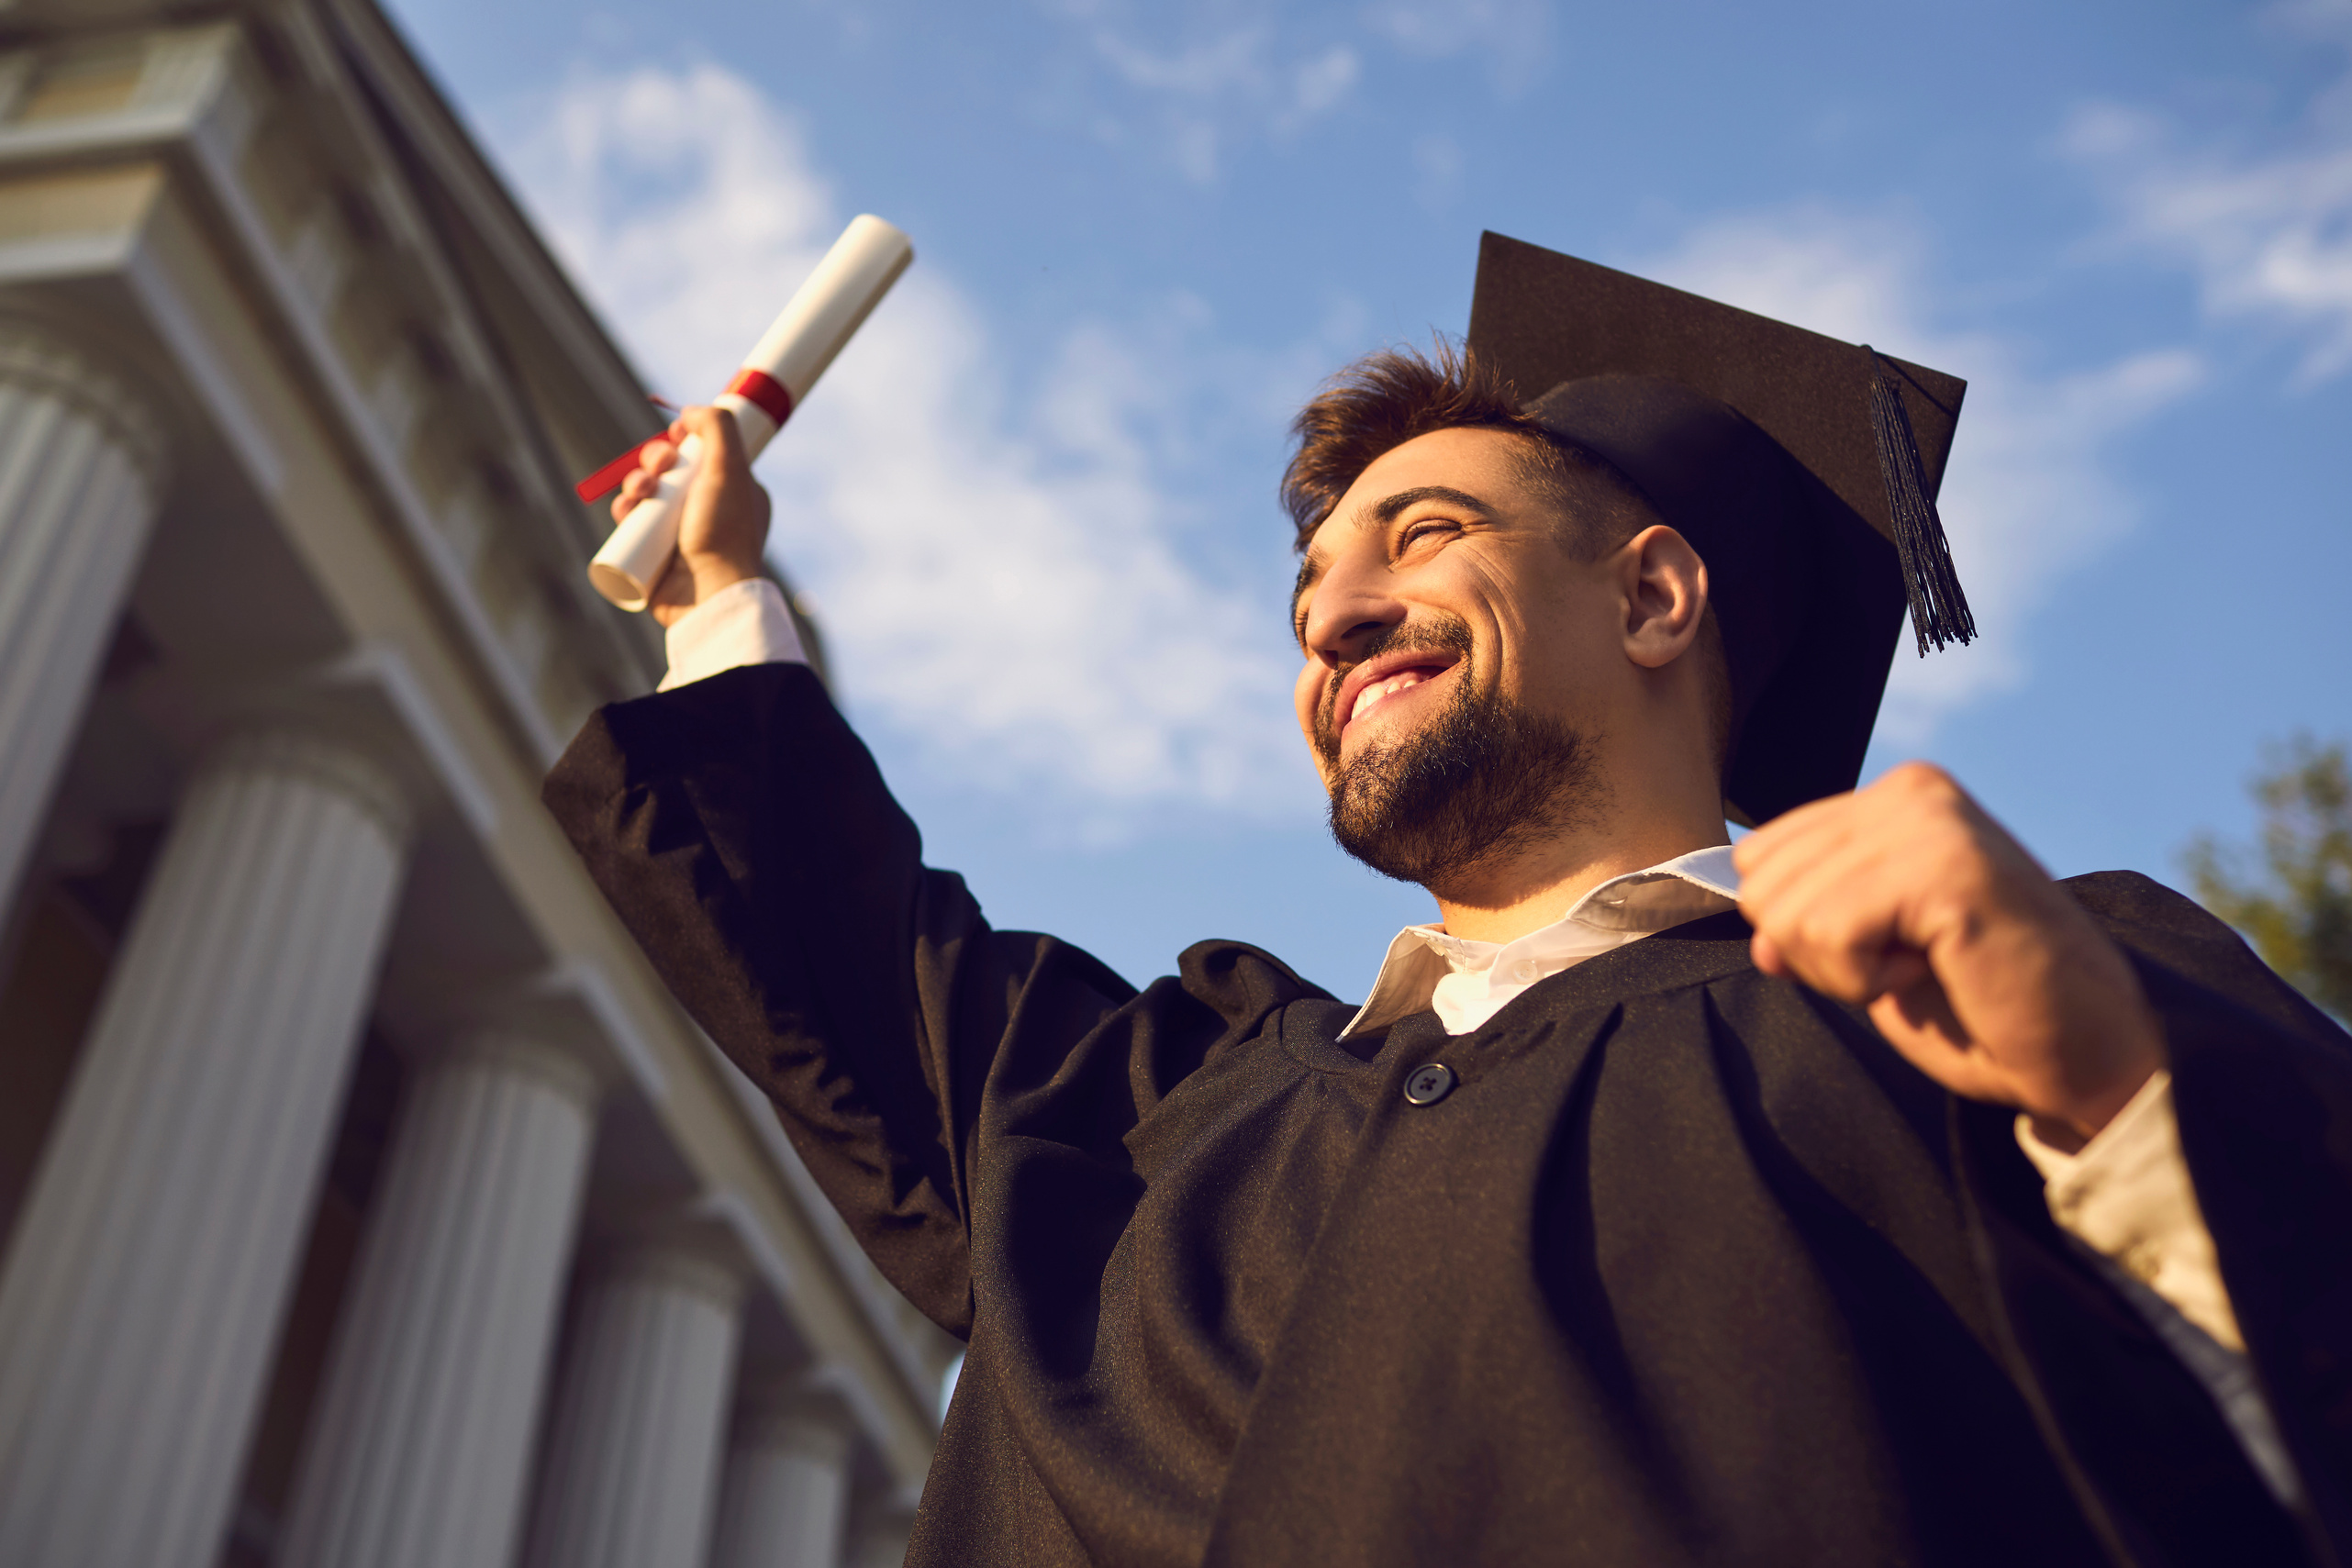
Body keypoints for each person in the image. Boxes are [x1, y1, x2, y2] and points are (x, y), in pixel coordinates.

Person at [545, 234, 2351, 1567]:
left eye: (1422, 539)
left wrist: (2116, 1093)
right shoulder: (1155, 1121)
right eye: (1308, 589)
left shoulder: (1992, 994)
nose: (1328, 617)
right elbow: (846, 951)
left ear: (1653, 599)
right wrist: (719, 588)